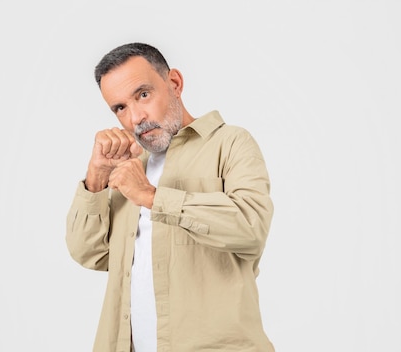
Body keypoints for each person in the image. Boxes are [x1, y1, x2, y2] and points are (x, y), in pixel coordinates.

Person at [66, 42, 275, 352]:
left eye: (143, 95)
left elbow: (251, 228)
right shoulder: (129, 165)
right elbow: (91, 253)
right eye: (120, 108)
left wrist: (152, 196)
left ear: (174, 83)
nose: (136, 117)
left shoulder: (230, 143)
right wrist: (96, 176)